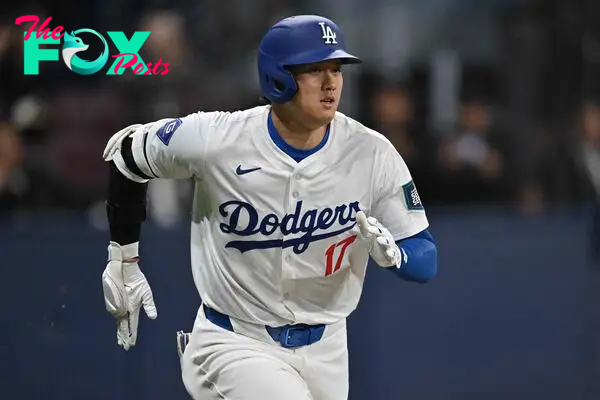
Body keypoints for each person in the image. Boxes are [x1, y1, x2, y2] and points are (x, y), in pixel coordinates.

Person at [101, 15, 438, 400]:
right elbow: (124, 154)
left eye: (336, 68)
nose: (331, 83)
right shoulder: (218, 139)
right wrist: (122, 259)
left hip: (328, 346)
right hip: (236, 341)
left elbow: (426, 258)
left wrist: (397, 257)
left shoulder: (371, 151)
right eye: (314, 69)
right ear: (278, 77)